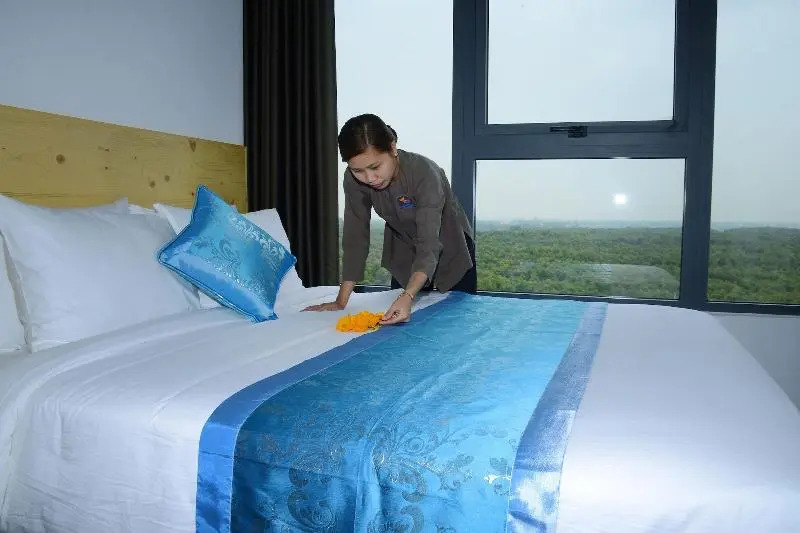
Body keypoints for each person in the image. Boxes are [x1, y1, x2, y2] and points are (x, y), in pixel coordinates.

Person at [304, 113, 475, 325]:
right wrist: (341, 301)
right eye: (358, 170)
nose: (369, 178)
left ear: (392, 148)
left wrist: (408, 295)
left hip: (451, 249)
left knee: (455, 325)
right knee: (401, 329)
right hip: (404, 252)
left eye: (375, 167)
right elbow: (355, 236)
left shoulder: (424, 172)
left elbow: (428, 243)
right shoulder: (353, 180)